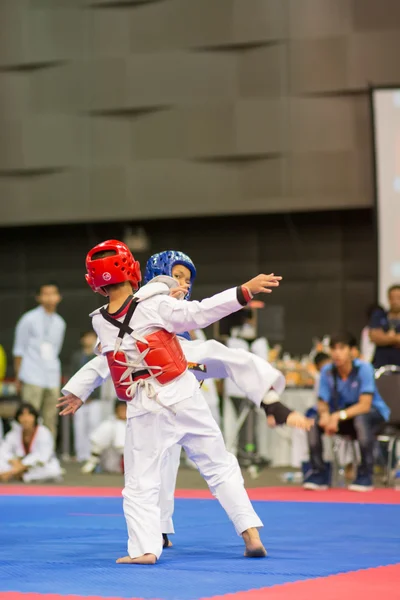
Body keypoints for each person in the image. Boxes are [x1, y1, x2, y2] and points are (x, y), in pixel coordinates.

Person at [57, 239, 309, 565]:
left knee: (140, 484)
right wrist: (243, 291)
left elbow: (107, 358)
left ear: (94, 283)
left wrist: (78, 390)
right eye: (176, 277)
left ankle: (145, 549)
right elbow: (199, 312)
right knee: (218, 466)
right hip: (184, 395)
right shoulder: (155, 304)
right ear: (134, 271)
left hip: (145, 408)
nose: (183, 284)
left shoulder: (103, 320)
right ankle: (250, 533)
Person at [303, 332, 390, 492]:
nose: (337, 353)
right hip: (344, 418)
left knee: (361, 419)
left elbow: (364, 405)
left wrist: (336, 416)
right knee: (312, 420)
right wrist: (324, 416)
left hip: (372, 417)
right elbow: (322, 401)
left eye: (342, 348)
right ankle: (318, 473)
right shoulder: (327, 371)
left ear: (352, 351)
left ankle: (365, 475)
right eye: (333, 349)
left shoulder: (364, 368)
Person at [13, 282, 66, 439]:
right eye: (46, 293)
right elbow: (19, 349)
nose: (50, 297)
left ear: (59, 297)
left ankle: (47, 456)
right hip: (31, 373)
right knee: (28, 417)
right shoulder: (28, 319)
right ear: (39, 297)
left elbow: (56, 350)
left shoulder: (60, 322)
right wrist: (18, 376)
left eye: (53, 293)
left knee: (51, 418)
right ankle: (26, 453)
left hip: (51, 375)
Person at [0, 403, 62, 483]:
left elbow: (43, 456)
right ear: (18, 418)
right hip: (17, 464)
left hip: (34, 467)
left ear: (35, 417)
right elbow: (3, 450)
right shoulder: (14, 433)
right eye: (22, 415)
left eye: (29, 415)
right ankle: (17, 474)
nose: (25, 419)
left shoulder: (43, 432)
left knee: (53, 471)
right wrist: (13, 461)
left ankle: (20, 475)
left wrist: (18, 468)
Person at [70, 331, 104, 463]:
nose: (89, 340)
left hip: (94, 398)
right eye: (87, 337)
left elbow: (100, 378)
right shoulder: (77, 356)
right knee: (79, 427)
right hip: (79, 397)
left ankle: (92, 455)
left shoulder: (99, 356)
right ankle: (81, 454)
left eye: (92, 337)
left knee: (94, 426)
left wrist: (92, 394)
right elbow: (74, 376)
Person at [81, 400, 127, 474]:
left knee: (120, 426)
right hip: (112, 462)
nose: (123, 412)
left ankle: (126, 461)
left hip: (133, 464)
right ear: (116, 410)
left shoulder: (136, 423)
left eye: (125, 409)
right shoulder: (110, 423)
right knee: (109, 426)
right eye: (121, 409)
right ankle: (92, 462)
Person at [369, 286, 400, 368]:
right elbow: (374, 337)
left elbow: (380, 337)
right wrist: (396, 339)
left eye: (398, 298)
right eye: (392, 298)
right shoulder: (379, 315)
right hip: (380, 365)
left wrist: (385, 338)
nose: (395, 301)